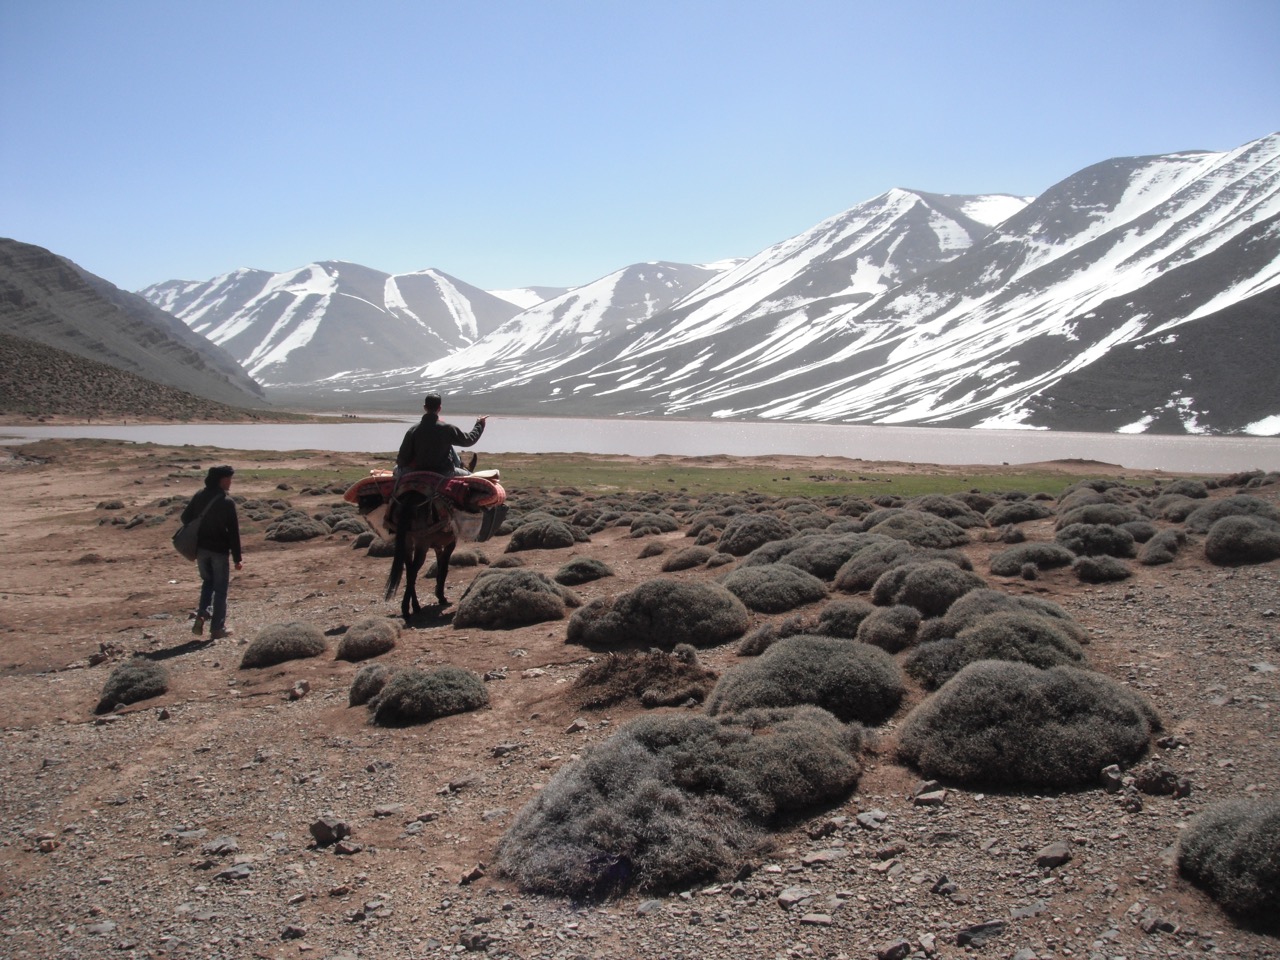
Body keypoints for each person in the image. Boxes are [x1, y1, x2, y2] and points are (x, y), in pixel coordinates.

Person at [183, 464, 243, 640]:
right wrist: (237, 558)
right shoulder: (226, 502)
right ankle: (217, 628)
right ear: (222, 480)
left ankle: (202, 613)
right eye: (229, 479)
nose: (231, 482)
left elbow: (185, 518)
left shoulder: (200, 496)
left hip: (201, 549)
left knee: (207, 582)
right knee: (221, 588)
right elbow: (233, 532)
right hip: (219, 551)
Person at [396, 392, 487, 478]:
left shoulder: (413, 430)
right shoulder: (447, 429)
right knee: (470, 475)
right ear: (439, 408)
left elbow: (402, 459)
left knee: (396, 469)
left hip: (417, 471)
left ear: (425, 407)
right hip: (444, 472)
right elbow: (469, 440)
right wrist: (479, 424)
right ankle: (462, 468)